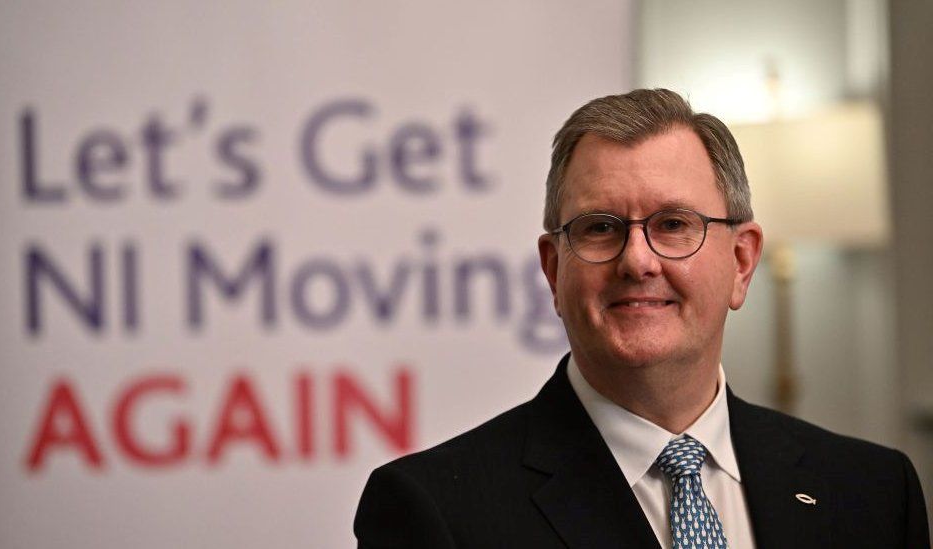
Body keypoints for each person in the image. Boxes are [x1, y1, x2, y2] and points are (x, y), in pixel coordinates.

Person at [353, 89, 930, 548]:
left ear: (742, 261)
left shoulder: (872, 492)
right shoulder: (436, 511)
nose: (637, 260)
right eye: (599, 227)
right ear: (553, 271)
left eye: (674, 224)